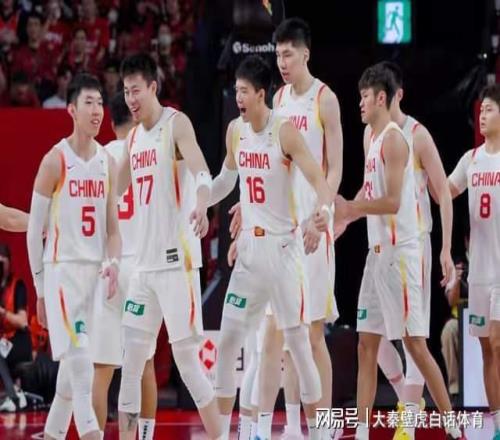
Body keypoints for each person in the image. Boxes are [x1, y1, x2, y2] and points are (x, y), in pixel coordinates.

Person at [335, 62, 462, 440]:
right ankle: (368, 426)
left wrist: (446, 249)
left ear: (386, 97)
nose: (359, 103)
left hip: (410, 245)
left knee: (414, 344)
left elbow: (440, 195)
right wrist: (345, 218)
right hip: (377, 250)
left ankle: (445, 423)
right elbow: (369, 190)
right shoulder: (370, 136)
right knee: (367, 343)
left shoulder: (410, 136)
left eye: (364, 96)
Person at [209, 54, 333, 440]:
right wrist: (198, 201)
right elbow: (225, 181)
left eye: (244, 91)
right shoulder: (235, 131)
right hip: (249, 253)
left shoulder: (285, 132)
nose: (238, 98)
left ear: (261, 94)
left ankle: (317, 432)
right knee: (228, 342)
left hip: (283, 252)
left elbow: (319, 179)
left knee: (298, 347)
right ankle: (227, 433)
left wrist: (322, 214)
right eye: (235, 91)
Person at [115, 53, 221, 440]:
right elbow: (113, 192)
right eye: (126, 92)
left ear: (153, 87)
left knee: (188, 364)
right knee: (130, 361)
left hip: (177, 264)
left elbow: (201, 170)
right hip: (143, 269)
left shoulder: (175, 124)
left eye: (136, 90)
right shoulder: (132, 139)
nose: (131, 99)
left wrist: (202, 203)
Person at [27, 73, 121, 440]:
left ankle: (52, 434)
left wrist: (113, 264)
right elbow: (34, 232)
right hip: (62, 274)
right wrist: (40, 290)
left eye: (100, 103)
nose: (97, 111)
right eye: (89, 103)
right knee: (82, 370)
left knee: (70, 375)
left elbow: (113, 230)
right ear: (71, 110)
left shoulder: (107, 162)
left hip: (94, 276)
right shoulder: (54, 161)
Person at [90, 91, 158, 440]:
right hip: (142, 269)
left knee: (102, 369)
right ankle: (141, 437)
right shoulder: (146, 153)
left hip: (110, 269)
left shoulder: (100, 156)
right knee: (143, 365)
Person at [449, 84, 500, 440]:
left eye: (490, 110)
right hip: (479, 270)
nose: (482, 115)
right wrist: (417, 175)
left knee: (497, 342)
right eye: (481, 110)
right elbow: (445, 190)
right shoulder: (471, 160)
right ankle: (497, 424)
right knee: (486, 350)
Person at [0, 244, 31, 412]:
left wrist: (3, 313)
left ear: (8, 262)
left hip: (19, 341)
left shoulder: (17, 286)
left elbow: (23, 321)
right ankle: (12, 393)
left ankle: (13, 396)